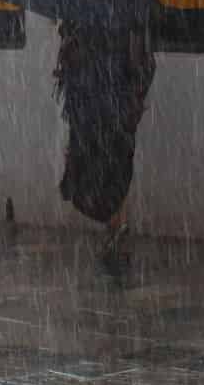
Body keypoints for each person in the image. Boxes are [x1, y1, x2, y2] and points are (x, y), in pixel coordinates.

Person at [55, 20, 156, 248]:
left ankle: (116, 226)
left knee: (113, 168)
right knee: (103, 171)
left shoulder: (124, 24)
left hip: (112, 110)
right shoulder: (86, 23)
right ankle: (115, 225)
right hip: (97, 110)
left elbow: (142, 65)